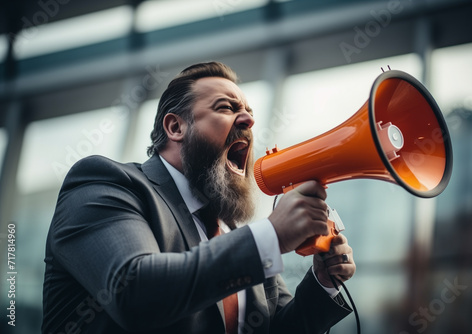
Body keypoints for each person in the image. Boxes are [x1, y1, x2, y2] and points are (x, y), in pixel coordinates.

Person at [42, 61, 356, 334]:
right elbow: (134, 293)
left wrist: (322, 282)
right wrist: (271, 234)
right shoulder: (105, 183)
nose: (248, 120)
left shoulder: (231, 231)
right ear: (176, 126)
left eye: (248, 111)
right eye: (227, 107)